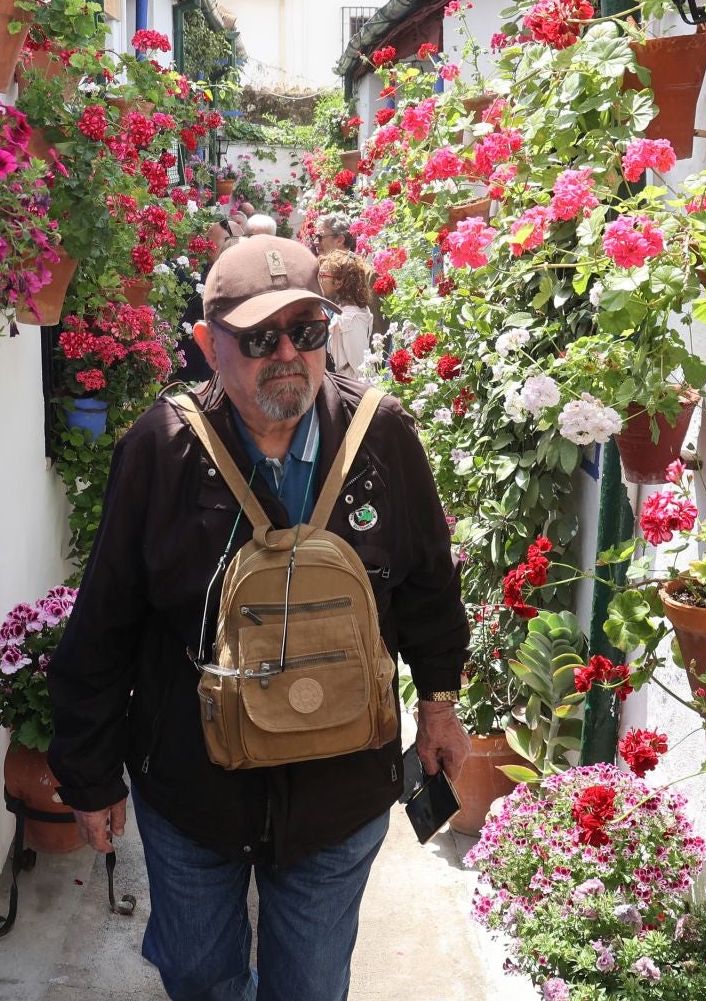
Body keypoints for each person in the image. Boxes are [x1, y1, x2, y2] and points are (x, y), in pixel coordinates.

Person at [48, 234, 470, 1001]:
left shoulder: (382, 437)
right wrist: (89, 774)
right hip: (192, 794)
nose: (288, 354)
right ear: (210, 344)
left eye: (306, 331)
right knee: (201, 979)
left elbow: (429, 586)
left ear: (329, 333)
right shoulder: (162, 449)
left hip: (337, 794)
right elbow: (106, 622)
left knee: (308, 988)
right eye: (259, 336)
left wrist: (439, 703)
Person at [317, 249, 375, 377]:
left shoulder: (350, 318)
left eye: (322, 275)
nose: (318, 279)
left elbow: (364, 370)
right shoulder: (341, 311)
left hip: (350, 391)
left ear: (338, 282)